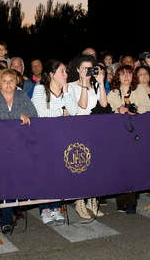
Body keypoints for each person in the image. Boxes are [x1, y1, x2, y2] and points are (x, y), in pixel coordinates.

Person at [0, 69, 38, 232]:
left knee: (18, 179)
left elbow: (34, 115)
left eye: (11, 80)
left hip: (20, 147)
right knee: (5, 181)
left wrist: (26, 116)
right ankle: (6, 218)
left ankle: (16, 207)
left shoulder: (22, 96)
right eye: (4, 81)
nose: (8, 84)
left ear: (17, 82)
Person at [30, 60, 79, 224]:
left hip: (62, 138)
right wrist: (61, 111)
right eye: (62, 71)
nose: (66, 74)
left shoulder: (68, 89)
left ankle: (56, 207)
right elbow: (40, 112)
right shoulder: (40, 89)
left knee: (59, 172)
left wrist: (66, 91)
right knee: (45, 173)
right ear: (52, 74)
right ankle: (44, 208)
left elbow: (74, 111)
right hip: (44, 138)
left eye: (66, 71)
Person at [66, 56, 108, 220]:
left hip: (94, 128)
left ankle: (93, 201)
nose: (87, 71)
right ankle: (79, 202)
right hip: (77, 129)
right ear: (77, 70)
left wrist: (101, 82)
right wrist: (84, 83)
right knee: (81, 166)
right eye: (83, 68)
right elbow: (81, 105)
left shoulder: (96, 85)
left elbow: (103, 104)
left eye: (90, 68)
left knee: (95, 166)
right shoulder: (70, 86)